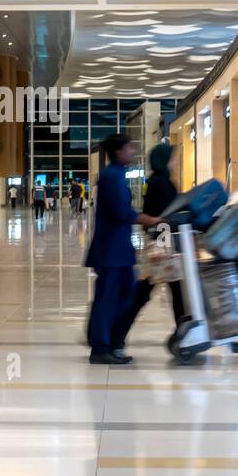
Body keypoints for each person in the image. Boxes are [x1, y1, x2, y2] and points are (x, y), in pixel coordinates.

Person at [84, 134, 159, 364]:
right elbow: (122, 212)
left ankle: (110, 340)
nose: (133, 153)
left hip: (120, 249)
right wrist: (149, 219)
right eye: (129, 149)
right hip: (111, 251)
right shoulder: (111, 176)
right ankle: (100, 347)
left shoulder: (117, 175)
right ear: (118, 152)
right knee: (108, 298)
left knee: (126, 294)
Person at [113, 143, 187, 345]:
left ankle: (184, 336)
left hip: (160, 245)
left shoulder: (157, 181)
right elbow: (165, 216)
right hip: (163, 248)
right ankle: (116, 336)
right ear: (164, 160)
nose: (175, 160)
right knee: (143, 295)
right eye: (172, 157)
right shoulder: (162, 184)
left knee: (172, 294)